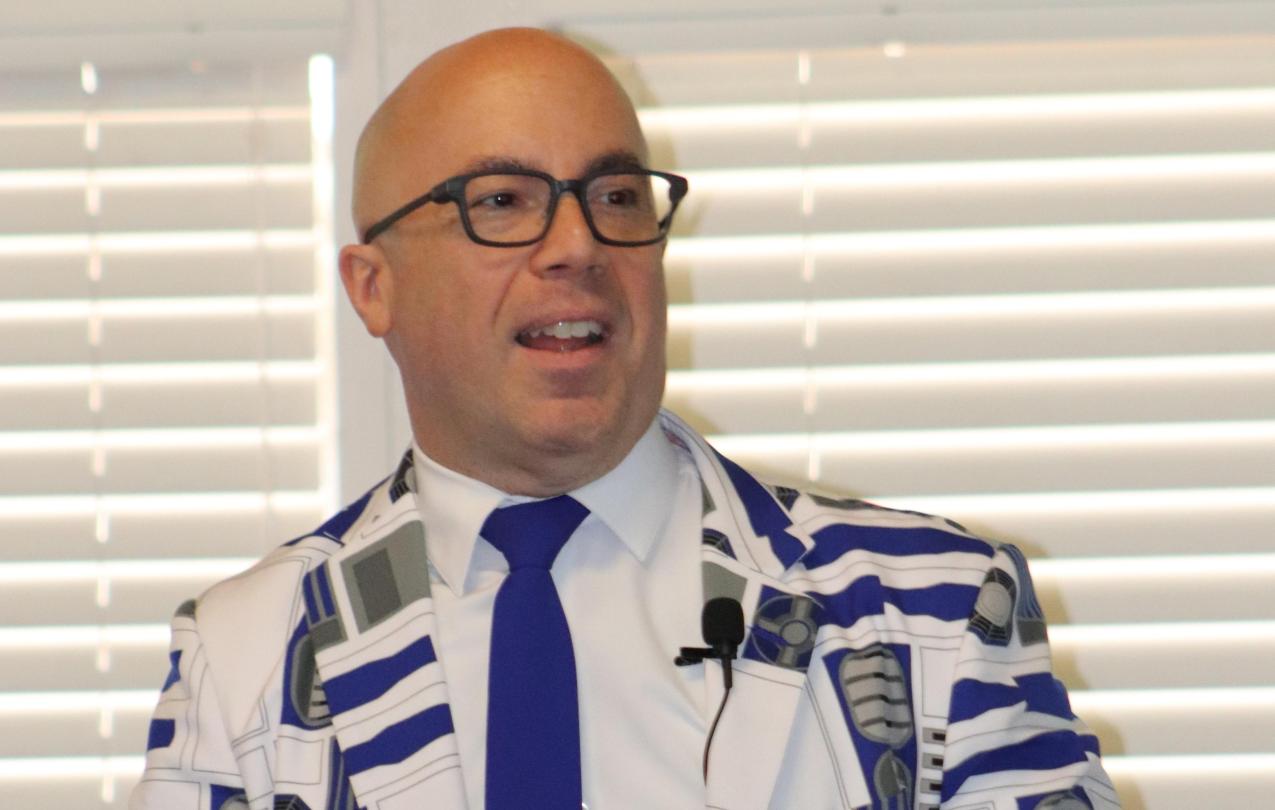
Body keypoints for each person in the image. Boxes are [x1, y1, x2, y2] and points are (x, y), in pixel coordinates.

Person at [131, 28, 1120, 810]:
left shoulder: (937, 612)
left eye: (614, 195)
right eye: (503, 201)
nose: (578, 244)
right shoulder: (246, 654)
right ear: (372, 286)